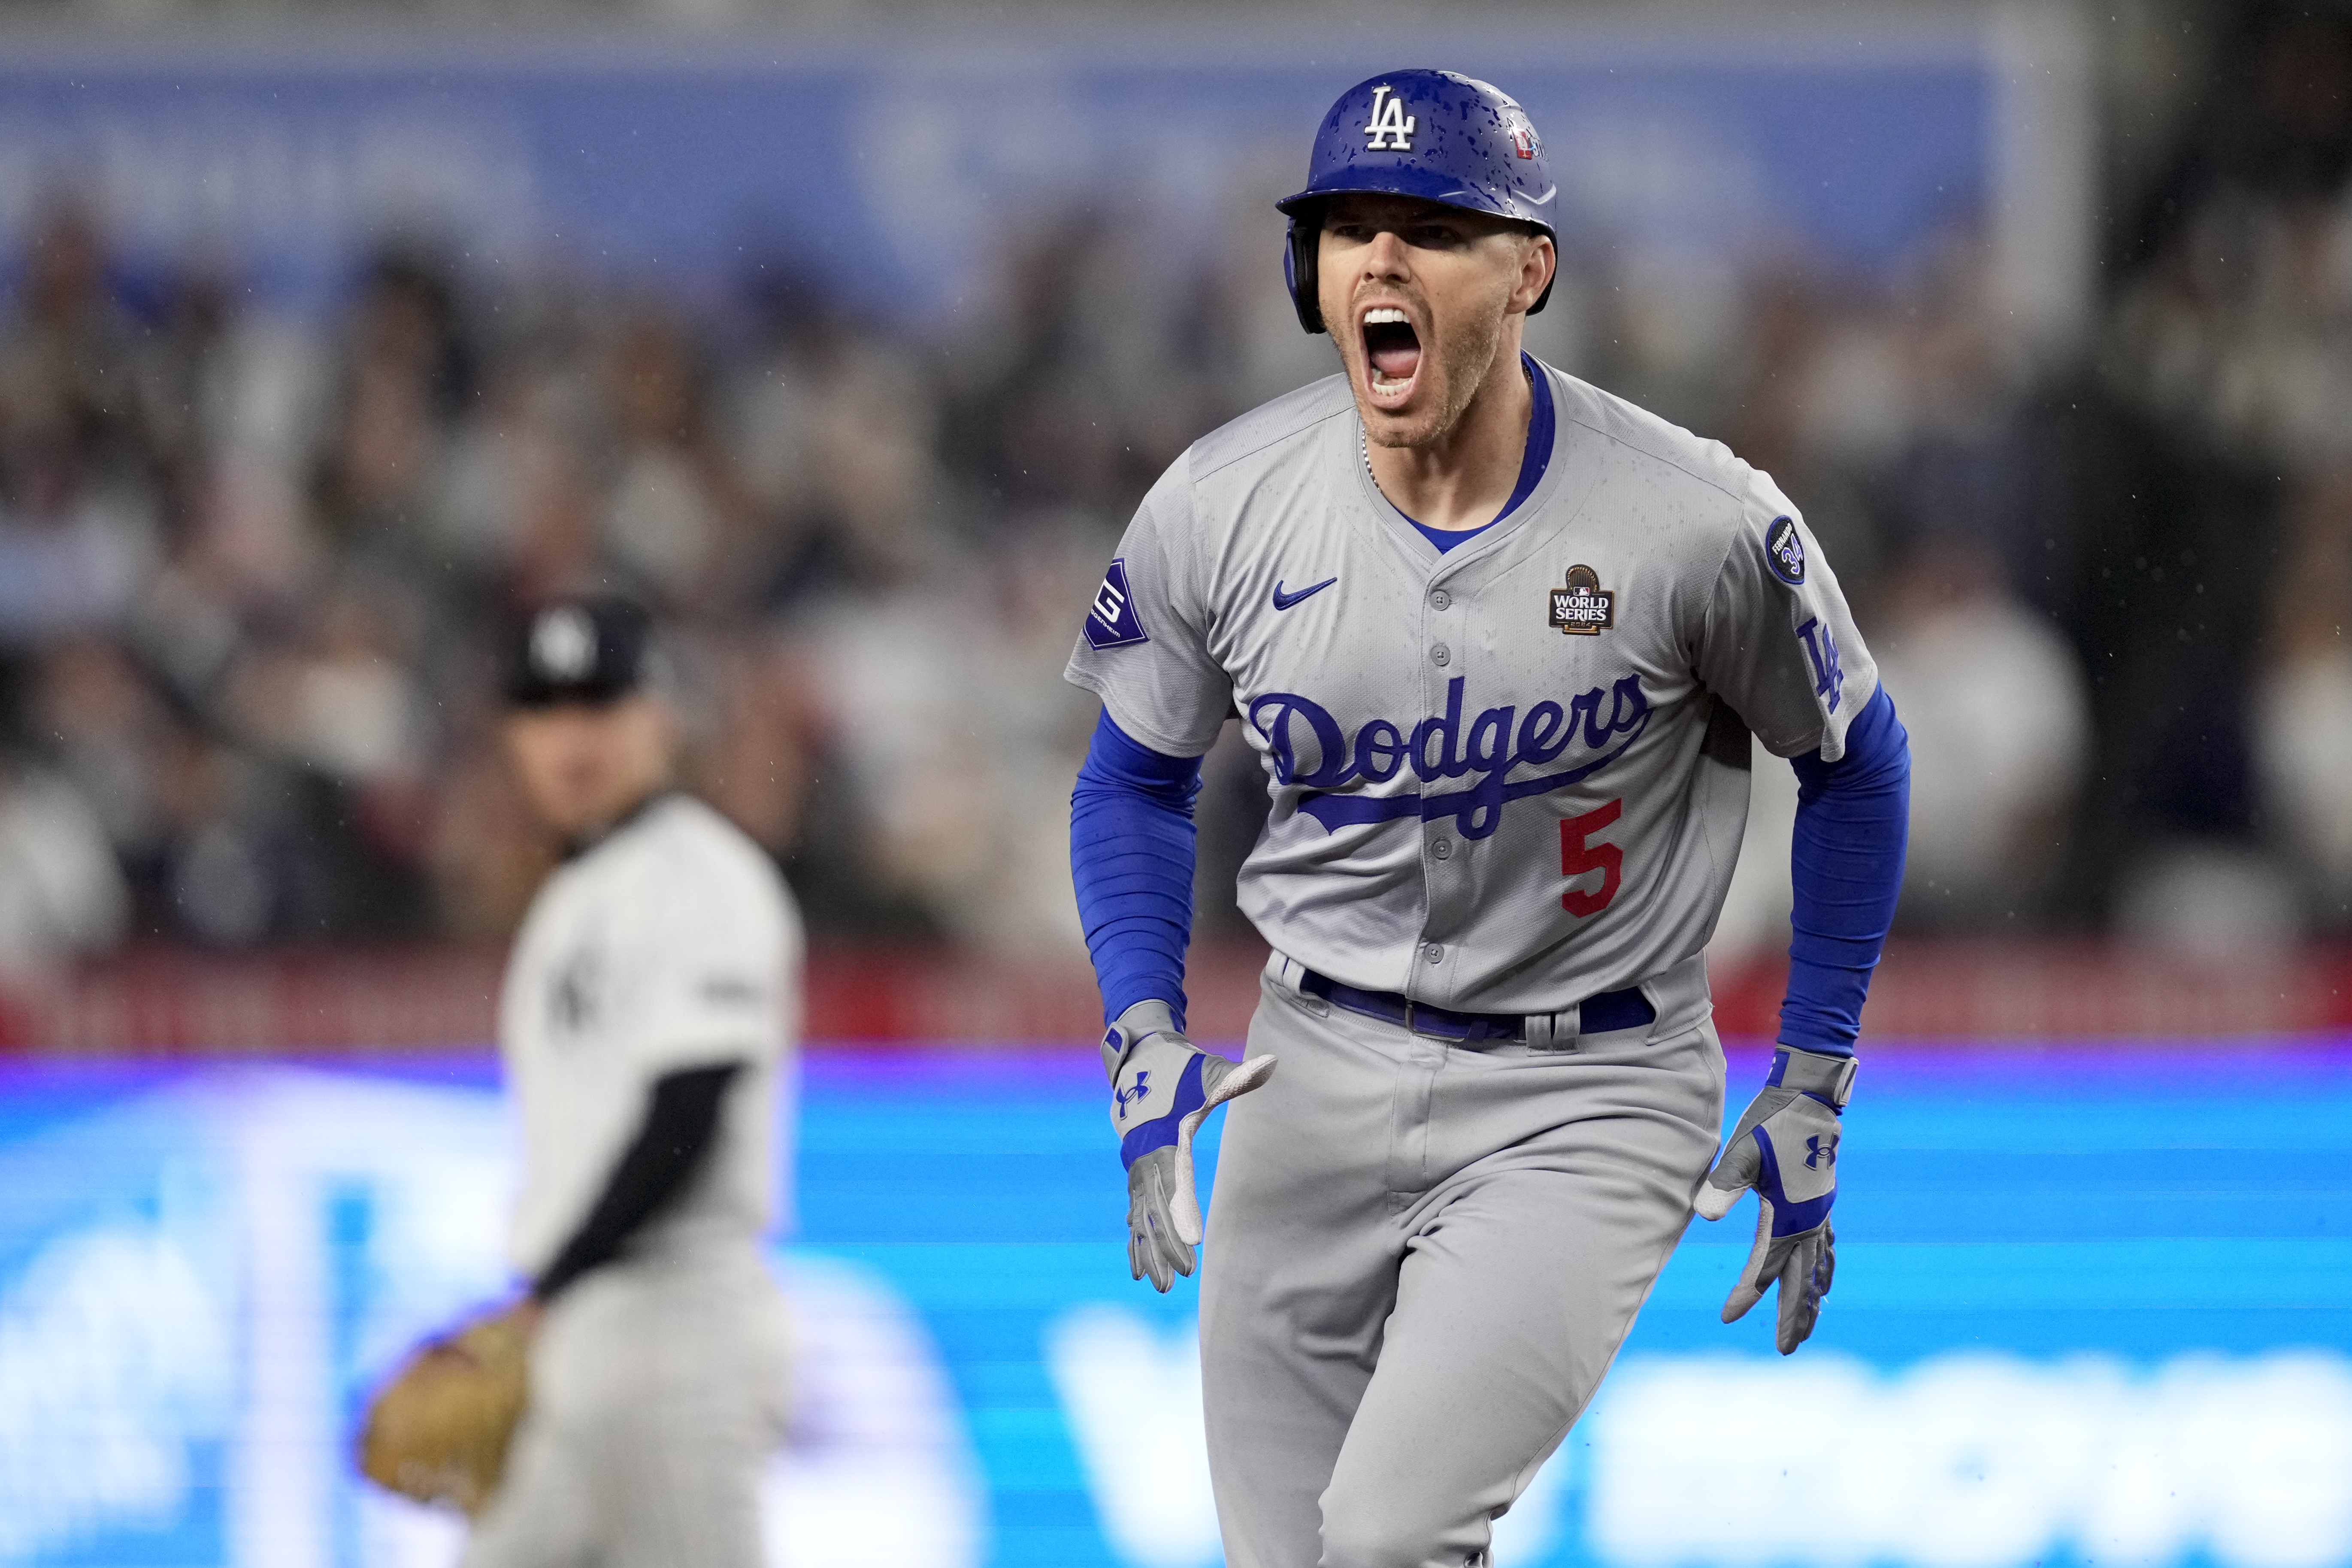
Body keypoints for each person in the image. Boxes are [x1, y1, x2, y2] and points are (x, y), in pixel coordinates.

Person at [1065, 71, 1910, 1568]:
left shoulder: (1692, 520)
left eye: (1434, 230)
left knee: (1388, 1539)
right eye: (1348, 231)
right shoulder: (1220, 504)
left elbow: (1858, 756)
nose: (1381, 263)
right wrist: (1138, 1022)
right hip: (1307, 1067)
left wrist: (1817, 1071)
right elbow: (1131, 773)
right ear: (1304, 276)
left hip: (1586, 1092)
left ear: (1529, 271)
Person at [467, 593, 798, 1567]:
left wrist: (550, 1282)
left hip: (674, 1323)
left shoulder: (702, 875)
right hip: (580, 1330)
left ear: (659, 715)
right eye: (544, 711)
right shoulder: (575, 892)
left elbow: (685, 1115)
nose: (572, 739)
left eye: (598, 707)